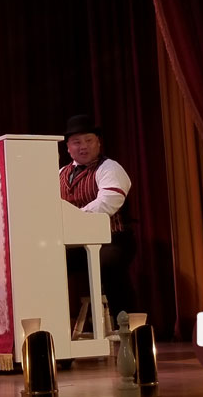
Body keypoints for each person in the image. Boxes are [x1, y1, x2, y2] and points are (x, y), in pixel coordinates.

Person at [59, 114, 136, 327]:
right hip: (77, 244)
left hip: (114, 240)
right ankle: (55, 327)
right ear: (68, 147)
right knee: (48, 264)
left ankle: (128, 326)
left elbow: (107, 203)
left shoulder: (110, 168)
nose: (83, 146)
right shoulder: (59, 174)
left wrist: (73, 220)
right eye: (77, 142)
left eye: (89, 140)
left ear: (98, 142)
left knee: (108, 264)